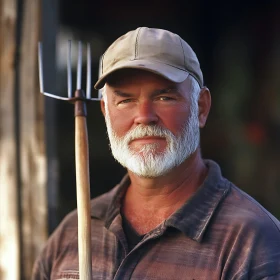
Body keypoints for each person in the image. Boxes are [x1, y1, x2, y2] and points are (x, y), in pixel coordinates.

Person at [32, 27, 280, 280]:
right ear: (106, 111)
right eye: (125, 100)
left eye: (164, 97)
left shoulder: (253, 241)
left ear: (201, 107)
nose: (144, 117)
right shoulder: (73, 232)